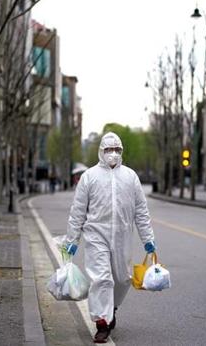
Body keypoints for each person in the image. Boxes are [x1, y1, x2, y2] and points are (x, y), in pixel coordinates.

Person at [64, 132, 156, 343]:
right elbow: (77, 211)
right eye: (108, 150)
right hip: (96, 235)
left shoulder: (130, 177)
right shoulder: (89, 177)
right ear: (100, 151)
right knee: (101, 279)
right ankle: (102, 323)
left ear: (122, 151)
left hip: (123, 235)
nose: (112, 154)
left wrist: (148, 239)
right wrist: (72, 241)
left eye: (117, 150)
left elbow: (141, 211)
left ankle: (111, 307)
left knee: (122, 279)